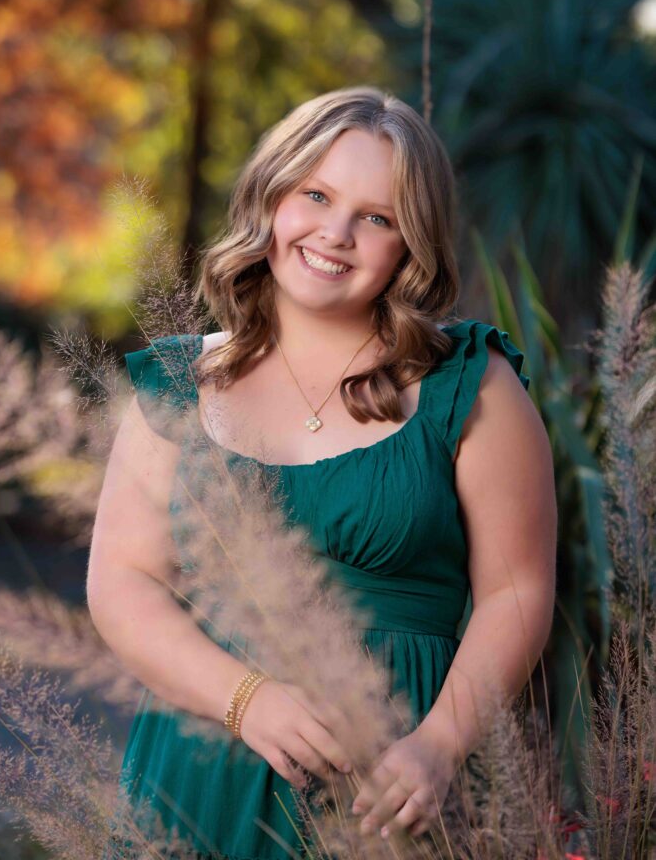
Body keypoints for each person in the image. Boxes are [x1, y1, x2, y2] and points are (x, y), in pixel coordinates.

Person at [87, 86, 557, 859]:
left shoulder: (469, 383)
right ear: (271, 195)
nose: (334, 233)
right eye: (315, 194)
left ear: (412, 244)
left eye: (376, 217)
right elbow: (122, 585)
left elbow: (517, 592)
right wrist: (249, 703)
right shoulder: (177, 385)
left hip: (395, 786)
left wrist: (438, 745)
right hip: (203, 773)